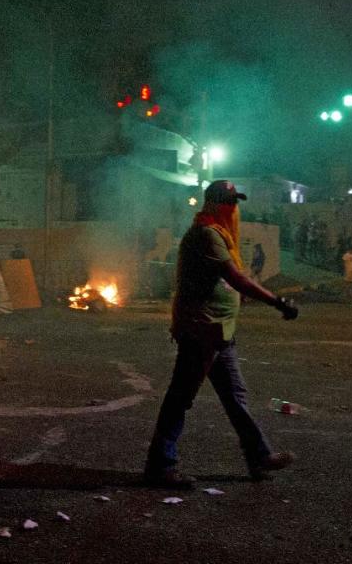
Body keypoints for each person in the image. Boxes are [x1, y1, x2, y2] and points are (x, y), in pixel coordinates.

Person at [144, 180, 298, 489]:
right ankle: (160, 466)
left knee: (235, 397)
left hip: (219, 330)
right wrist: (277, 302)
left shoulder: (220, 235)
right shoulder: (207, 235)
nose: (234, 209)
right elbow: (235, 278)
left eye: (235, 203)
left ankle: (259, 456)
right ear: (215, 205)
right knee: (181, 398)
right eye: (230, 203)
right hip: (203, 329)